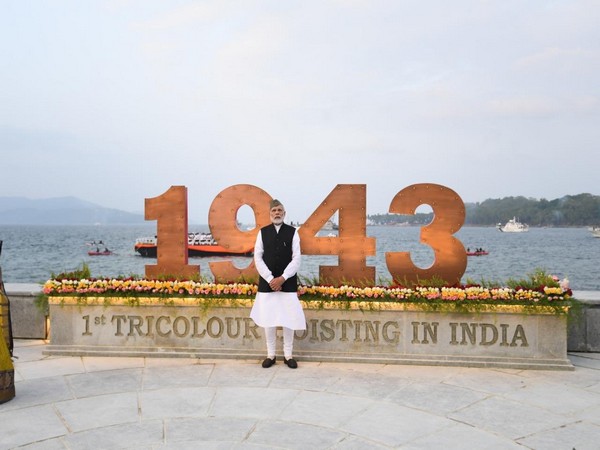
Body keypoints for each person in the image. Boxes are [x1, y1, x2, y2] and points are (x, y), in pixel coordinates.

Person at [250, 199, 306, 369]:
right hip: (267, 284)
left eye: (279, 210)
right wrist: (270, 279)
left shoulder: (293, 233)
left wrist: (282, 278)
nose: (277, 213)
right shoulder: (262, 232)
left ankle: (288, 356)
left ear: (284, 213)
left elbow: (297, 258)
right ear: (270, 213)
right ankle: (271, 355)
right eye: (274, 210)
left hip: (287, 284)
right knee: (269, 319)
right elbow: (257, 257)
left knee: (288, 319)